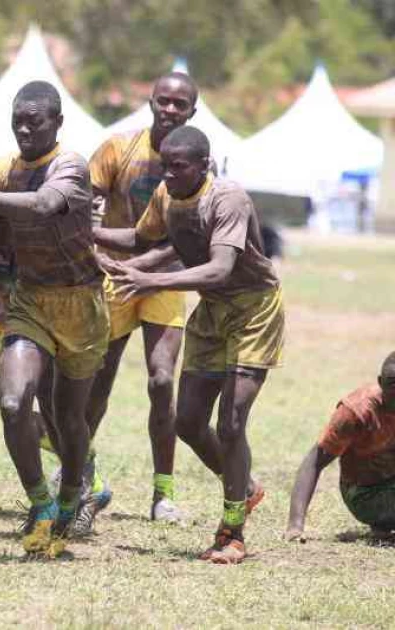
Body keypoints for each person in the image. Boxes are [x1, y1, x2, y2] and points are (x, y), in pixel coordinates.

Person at [94, 126, 284, 564]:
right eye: (165, 166)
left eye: (178, 168)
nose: (169, 175)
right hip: (213, 312)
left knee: (232, 422)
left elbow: (219, 268)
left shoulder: (228, 198)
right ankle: (246, 487)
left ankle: (232, 532)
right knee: (188, 422)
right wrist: (91, 235)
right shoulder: (166, 195)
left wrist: (149, 279)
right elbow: (145, 240)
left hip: (253, 310)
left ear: (204, 164)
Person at [0, 81, 109, 558]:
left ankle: (73, 493)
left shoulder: (70, 165)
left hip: (81, 304)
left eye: (34, 120)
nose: (24, 128)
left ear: (56, 122)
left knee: (67, 418)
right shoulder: (2, 170)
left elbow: (42, 204)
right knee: (14, 403)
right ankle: (40, 502)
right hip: (30, 302)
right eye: (18, 120)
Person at [82, 72, 199, 530]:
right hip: (114, 277)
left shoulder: (198, 163)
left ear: (193, 111)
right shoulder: (117, 149)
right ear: (149, 101)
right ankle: (79, 473)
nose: (170, 109)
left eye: (179, 104)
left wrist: (147, 268)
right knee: (97, 383)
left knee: (161, 380)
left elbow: (191, 235)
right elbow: (82, 207)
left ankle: (163, 494)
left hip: (166, 281)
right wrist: (96, 257)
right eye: (163, 101)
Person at [286, 352, 395, 542]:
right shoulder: (357, 411)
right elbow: (314, 461)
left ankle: (384, 525)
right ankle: (381, 521)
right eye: (393, 384)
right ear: (380, 382)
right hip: (366, 493)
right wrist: (295, 526)